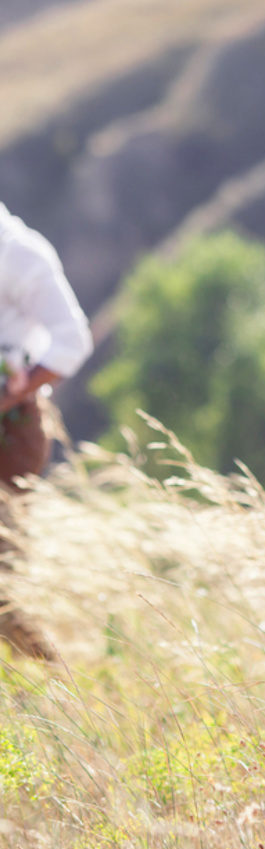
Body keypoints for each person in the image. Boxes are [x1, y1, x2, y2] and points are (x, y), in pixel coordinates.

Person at [0, 203, 93, 657]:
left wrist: (11, 394)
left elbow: (71, 339)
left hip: (9, 433)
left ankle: (48, 685)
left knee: (1, 586)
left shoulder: (18, 253)